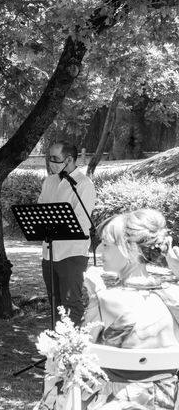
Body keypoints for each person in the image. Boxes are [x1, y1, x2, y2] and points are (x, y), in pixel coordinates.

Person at [38, 209, 179, 409]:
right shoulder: (174, 295)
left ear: (130, 250)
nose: (100, 251)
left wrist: (95, 295)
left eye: (106, 245)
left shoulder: (108, 299)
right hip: (168, 399)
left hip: (121, 401)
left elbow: (81, 353)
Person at [38, 141, 96, 325]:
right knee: (55, 303)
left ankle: (73, 350)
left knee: (72, 303)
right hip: (49, 251)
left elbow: (80, 221)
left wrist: (52, 220)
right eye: (49, 158)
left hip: (72, 252)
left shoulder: (84, 185)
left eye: (55, 159)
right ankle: (56, 349)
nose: (50, 162)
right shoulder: (49, 181)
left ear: (69, 159)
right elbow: (40, 212)